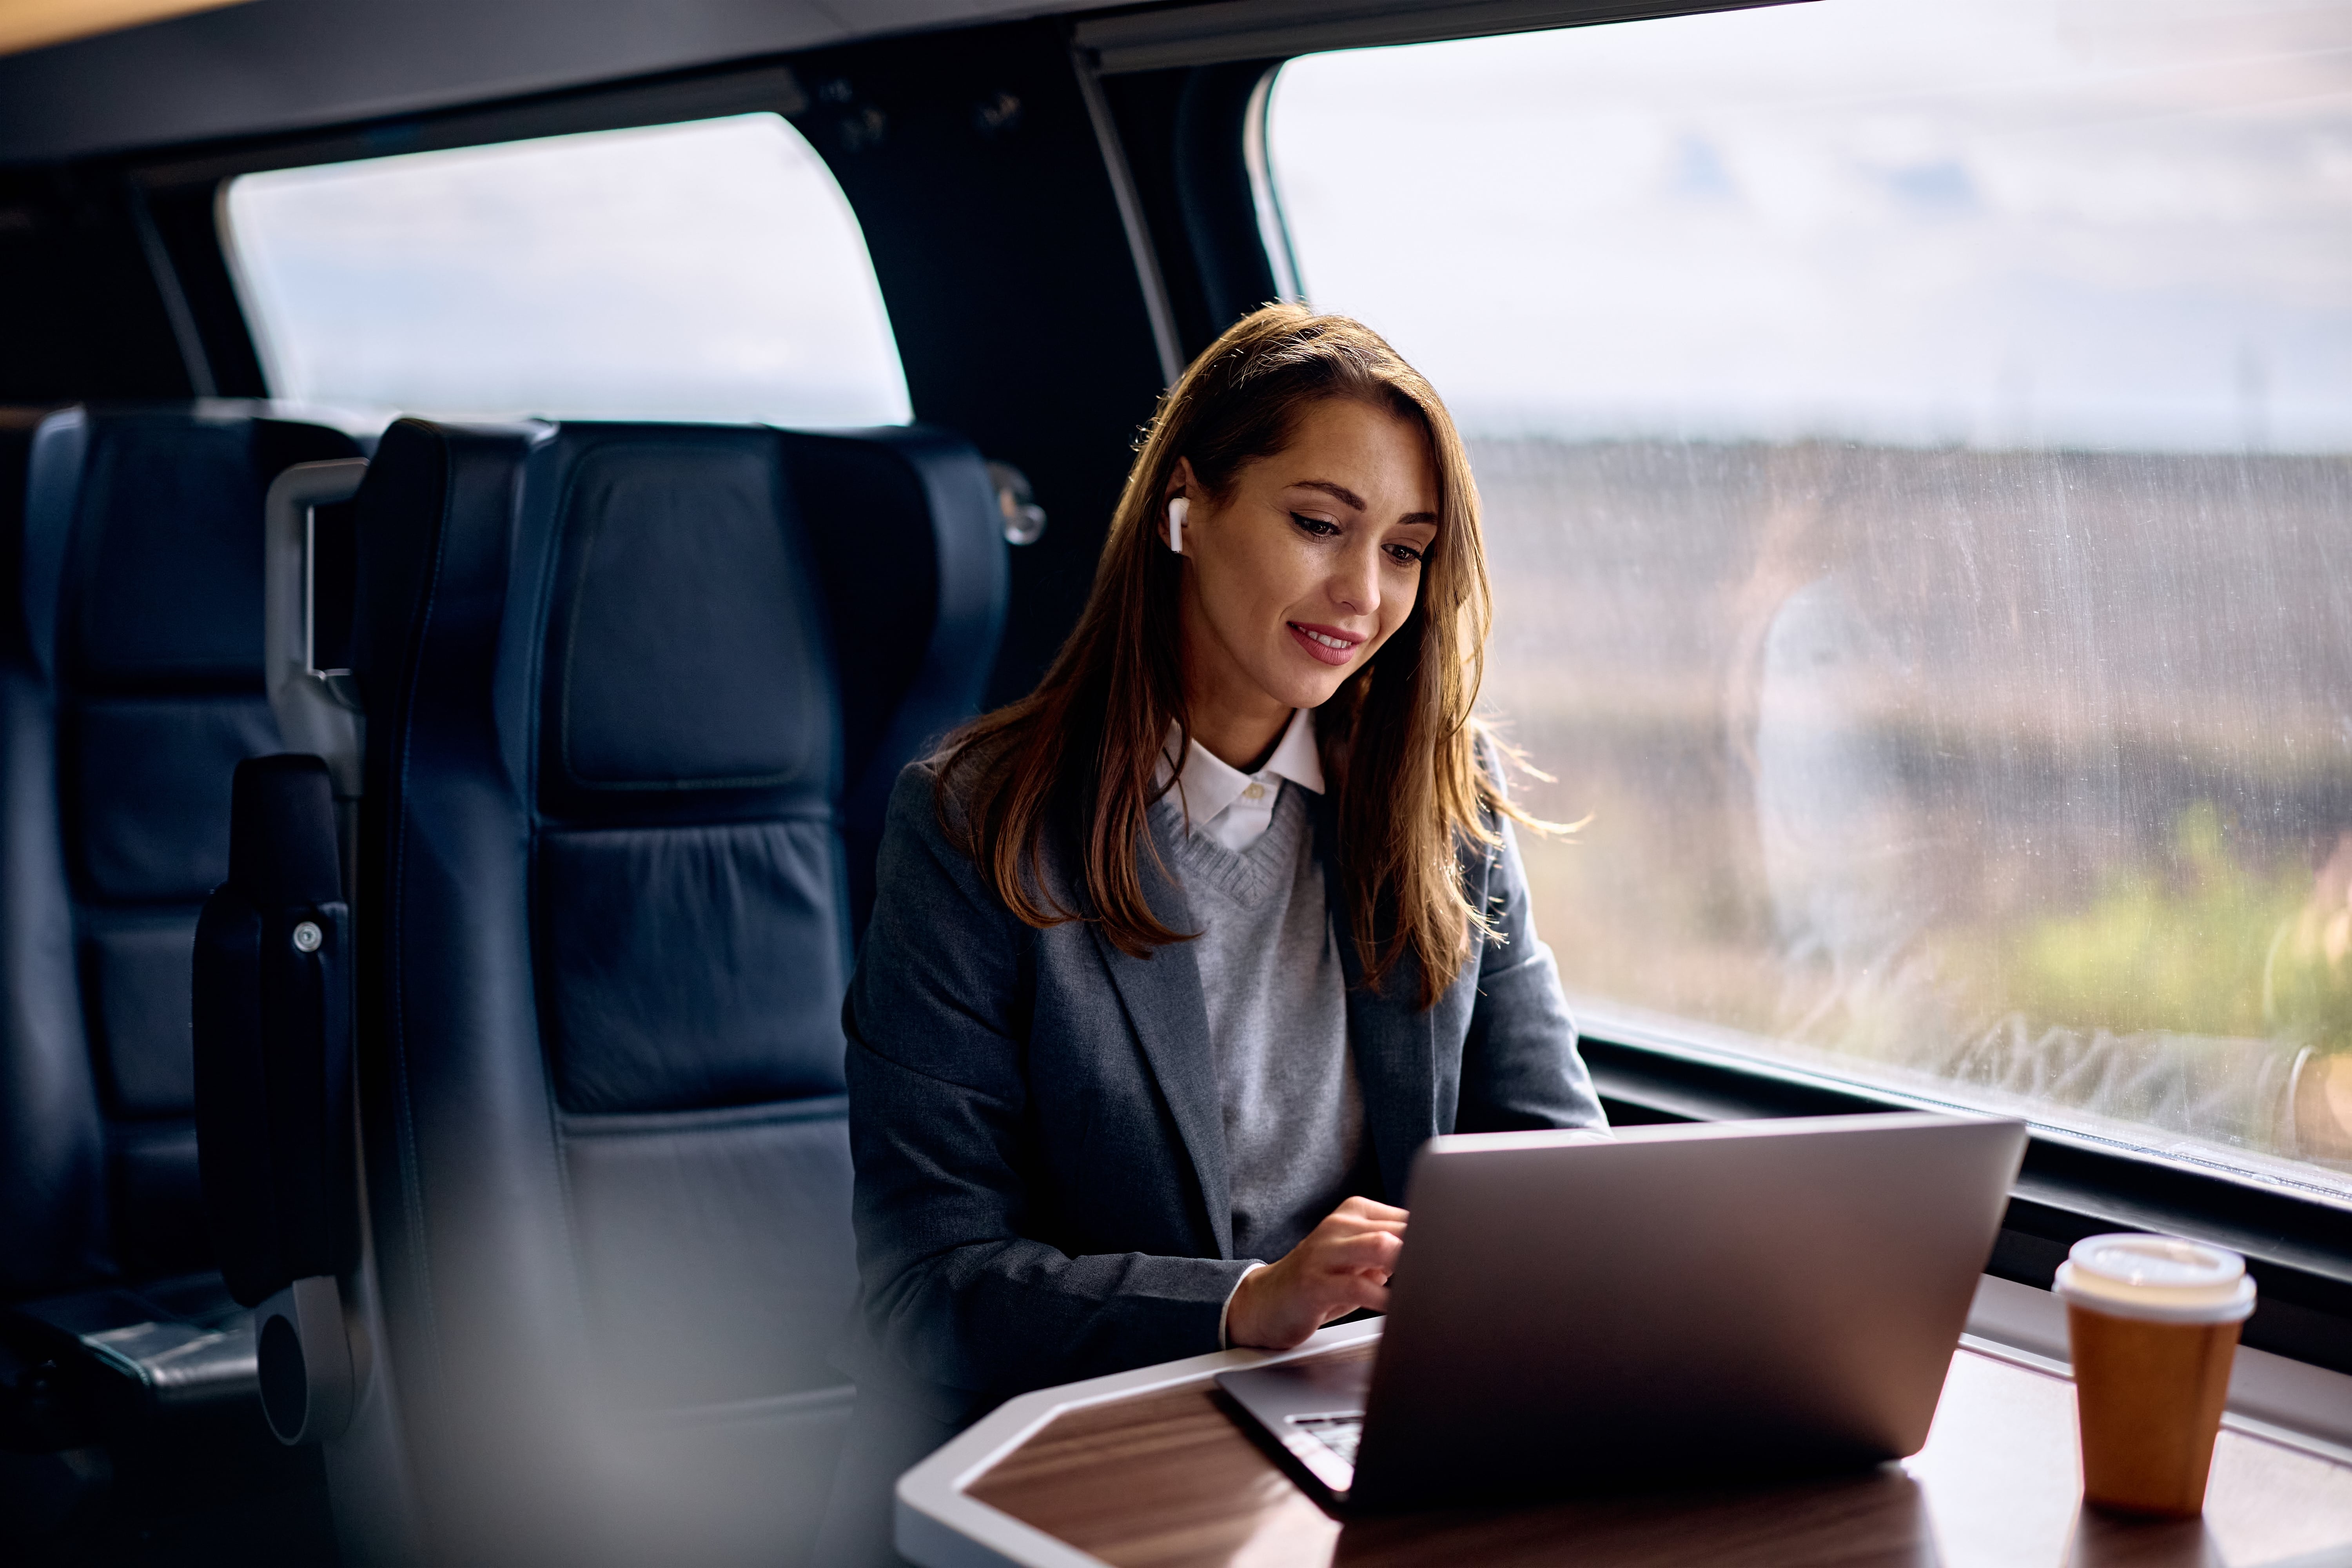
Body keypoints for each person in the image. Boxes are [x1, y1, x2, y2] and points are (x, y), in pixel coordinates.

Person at [813, 305, 1605, 1564]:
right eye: (1317, 525)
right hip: (1077, 1458)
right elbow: (931, 1288)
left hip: (1364, 1444)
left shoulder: (1441, 809)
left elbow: (1555, 1176)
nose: (1363, 594)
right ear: (1187, 505)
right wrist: (1250, 1301)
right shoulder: (977, 825)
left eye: (1406, 550)